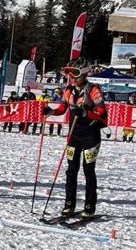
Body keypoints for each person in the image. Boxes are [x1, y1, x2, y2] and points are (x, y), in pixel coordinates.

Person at [41, 59, 107, 219]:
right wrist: (50, 111)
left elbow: (102, 113)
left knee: (88, 170)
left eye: (75, 73)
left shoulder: (93, 90)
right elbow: (63, 109)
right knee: (71, 170)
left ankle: (90, 206)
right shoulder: (68, 90)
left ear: (85, 73)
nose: (71, 77)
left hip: (90, 135)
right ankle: (69, 204)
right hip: (73, 134)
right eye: (68, 73)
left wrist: (86, 113)